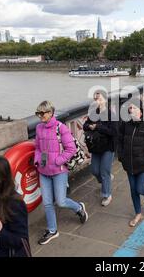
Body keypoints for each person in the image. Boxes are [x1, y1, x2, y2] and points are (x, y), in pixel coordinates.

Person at [34, 101, 88, 245]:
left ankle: (79, 208)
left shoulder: (61, 128)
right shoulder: (39, 128)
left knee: (61, 201)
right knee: (47, 203)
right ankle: (52, 230)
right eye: (38, 113)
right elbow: (37, 148)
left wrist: (57, 161)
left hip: (59, 171)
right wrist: (38, 160)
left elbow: (71, 149)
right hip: (43, 171)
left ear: (50, 113)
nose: (40, 116)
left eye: (42, 113)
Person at [117, 103, 144, 227]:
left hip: (143, 164)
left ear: (141, 111)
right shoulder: (125, 123)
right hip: (129, 163)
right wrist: (121, 156)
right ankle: (138, 214)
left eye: (134, 107)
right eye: (130, 108)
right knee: (133, 190)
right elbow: (119, 141)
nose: (131, 110)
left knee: (139, 188)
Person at [83, 92, 117, 207]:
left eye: (100, 99)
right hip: (96, 147)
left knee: (104, 171)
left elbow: (113, 132)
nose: (98, 101)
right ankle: (106, 180)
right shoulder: (93, 113)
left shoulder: (111, 114)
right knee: (94, 171)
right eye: (96, 99)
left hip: (108, 147)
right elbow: (84, 126)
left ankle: (107, 194)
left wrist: (98, 127)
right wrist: (90, 126)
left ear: (105, 100)